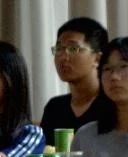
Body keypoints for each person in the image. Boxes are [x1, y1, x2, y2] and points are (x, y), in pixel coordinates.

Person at [40, 17, 107, 145]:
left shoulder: (111, 104)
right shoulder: (55, 108)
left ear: (97, 59)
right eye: (59, 49)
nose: (62, 57)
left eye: (73, 49)